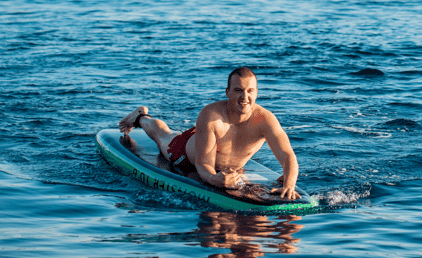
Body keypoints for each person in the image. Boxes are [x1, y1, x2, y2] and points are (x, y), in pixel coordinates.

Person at [118, 67, 300, 200]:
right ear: (227, 92)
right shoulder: (211, 114)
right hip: (186, 155)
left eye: (250, 91)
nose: (245, 97)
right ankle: (141, 117)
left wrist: (289, 184)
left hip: (216, 149)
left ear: (257, 93)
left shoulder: (266, 120)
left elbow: (288, 157)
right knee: (163, 135)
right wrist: (215, 179)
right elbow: (204, 165)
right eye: (238, 90)